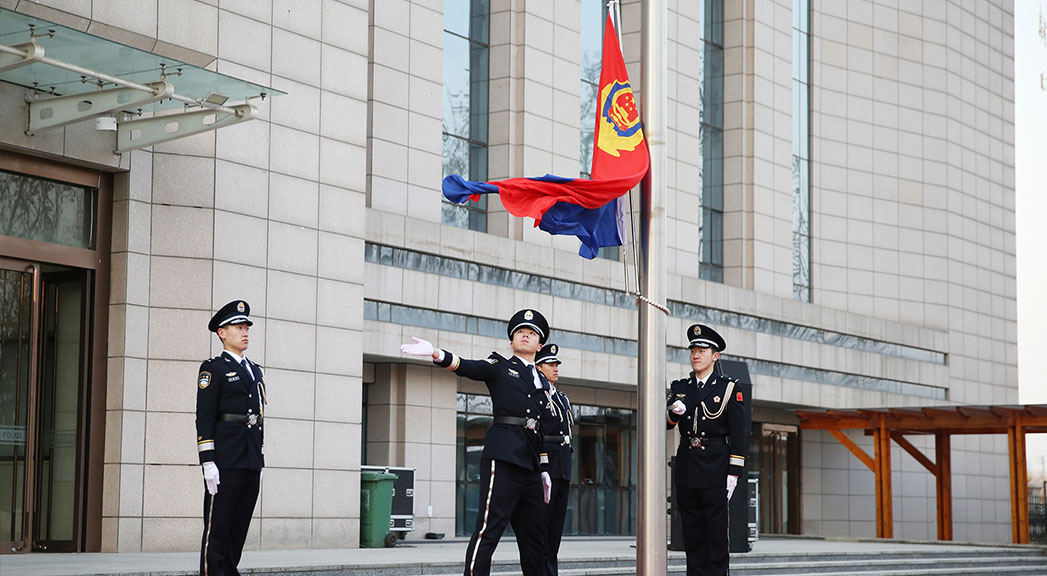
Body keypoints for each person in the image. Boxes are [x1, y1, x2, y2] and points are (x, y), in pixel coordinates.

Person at [401, 309, 552, 576]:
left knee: (535, 537)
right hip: (504, 457)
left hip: (530, 466)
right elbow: (469, 366)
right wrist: (437, 353)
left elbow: (540, 428)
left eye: (531, 333)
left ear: (539, 345)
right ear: (511, 341)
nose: (525, 335)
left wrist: (544, 468)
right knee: (489, 528)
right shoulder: (501, 367)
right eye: (520, 332)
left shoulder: (543, 382)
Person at [666, 324, 747, 576]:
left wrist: (734, 472)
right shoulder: (680, 387)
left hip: (716, 467)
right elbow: (667, 425)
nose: (695, 355)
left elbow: (739, 433)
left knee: (715, 535)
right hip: (689, 466)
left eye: (702, 350)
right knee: (692, 534)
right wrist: (672, 413)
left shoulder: (728, 388)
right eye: (693, 350)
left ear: (715, 356)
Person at [196, 300, 267, 576]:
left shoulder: (255, 370)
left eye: (246, 326)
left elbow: (257, 418)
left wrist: (259, 459)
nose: (245, 331)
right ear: (222, 333)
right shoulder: (212, 369)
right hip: (225, 460)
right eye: (238, 327)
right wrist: (208, 461)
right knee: (218, 530)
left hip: (249, 460)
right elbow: (204, 417)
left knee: (238, 529)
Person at [535, 343, 574, 576]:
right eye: (550, 364)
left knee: (555, 530)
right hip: (547, 465)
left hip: (563, 466)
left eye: (556, 364)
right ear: (538, 368)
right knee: (541, 527)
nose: (556, 368)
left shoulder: (561, 397)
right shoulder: (536, 395)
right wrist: (542, 465)